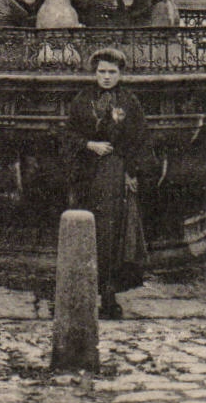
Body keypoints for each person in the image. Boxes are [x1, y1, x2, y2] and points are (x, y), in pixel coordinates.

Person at [61, 47, 155, 319]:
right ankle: (84, 290)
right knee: (88, 230)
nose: (106, 77)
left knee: (114, 234)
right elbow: (68, 134)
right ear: (95, 73)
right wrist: (89, 144)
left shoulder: (128, 102)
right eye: (101, 71)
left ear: (120, 74)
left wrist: (132, 172)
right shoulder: (83, 100)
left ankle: (109, 293)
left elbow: (140, 139)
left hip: (114, 174)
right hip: (87, 175)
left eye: (112, 72)